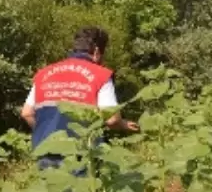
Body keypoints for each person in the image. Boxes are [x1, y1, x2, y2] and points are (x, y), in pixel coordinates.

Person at [20, 27, 138, 178]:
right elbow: (112, 119)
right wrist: (123, 124)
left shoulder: (44, 74)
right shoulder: (100, 74)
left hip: (47, 149)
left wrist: (47, 132)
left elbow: (27, 113)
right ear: (96, 51)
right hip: (80, 152)